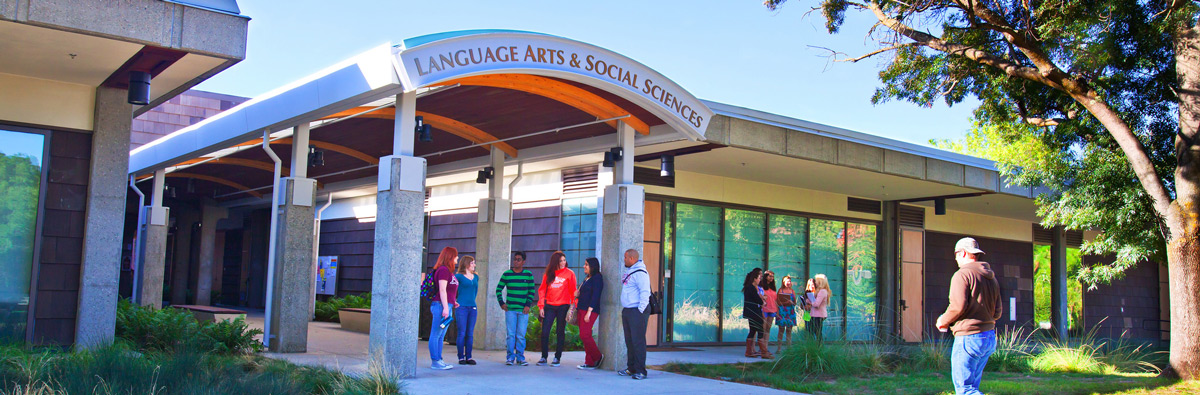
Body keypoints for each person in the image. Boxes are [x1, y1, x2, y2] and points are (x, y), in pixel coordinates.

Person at [936, 237, 1002, 395]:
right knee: (972, 387)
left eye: (956, 254)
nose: (955, 258)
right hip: (988, 337)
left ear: (963, 253)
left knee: (965, 390)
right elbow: (997, 312)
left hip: (968, 339)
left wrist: (942, 321)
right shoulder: (991, 278)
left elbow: (957, 307)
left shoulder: (962, 275)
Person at [537, 251, 577, 367]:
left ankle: (557, 357)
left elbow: (573, 291)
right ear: (555, 262)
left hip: (563, 306)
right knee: (545, 332)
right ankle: (544, 357)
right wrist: (541, 306)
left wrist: (572, 307)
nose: (563, 262)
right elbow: (542, 290)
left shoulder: (570, 274)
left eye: (564, 260)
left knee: (560, 332)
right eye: (560, 261)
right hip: (549, 306)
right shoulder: (549, 274)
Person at [496, 251, 535, 366]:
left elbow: (531, 292)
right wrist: (501, 303)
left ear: (523, 261)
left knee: (521, 335)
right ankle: (510, 357)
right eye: (515, 259)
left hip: (523, 310)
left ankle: (520, 357)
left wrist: (528, 305)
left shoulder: (528, 275)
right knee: (511, 335)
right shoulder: (507, 274)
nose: (516, 261)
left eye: (519, 259)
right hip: (510, 309)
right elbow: (498, 289)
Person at [618, 249, 651, 380]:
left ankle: (641, 371)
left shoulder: (641, 273)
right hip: (627, 310)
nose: (624, 259)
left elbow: (645, 292)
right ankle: (631, 368)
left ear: (632, 258)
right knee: (629, 341)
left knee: (638, 342)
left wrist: (640, 310)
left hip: (637, 311)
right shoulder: (630, 271)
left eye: (625, 257)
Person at [428, 247, 459, 370]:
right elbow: (442, 289)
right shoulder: (443, 270)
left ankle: (439, 359)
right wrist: (446, 307)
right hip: (441, 306)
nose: (457, 258)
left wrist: (452, 302)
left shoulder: (448, 271)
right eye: (456, 256)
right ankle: (435, 361)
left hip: (446, 305)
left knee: (441, 335)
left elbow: (448, 291)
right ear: (450, 257)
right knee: (436, 334)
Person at [575, 257, 604, 370]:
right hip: (581, 309)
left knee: (585, 335)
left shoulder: (597, 278)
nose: (584, 266)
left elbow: (595, 295)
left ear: (592, 266)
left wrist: (589, 312)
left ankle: (597, 356)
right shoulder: (587, 278)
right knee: (585, 335)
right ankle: (589, 362)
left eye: (586, 264)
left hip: (590, 310)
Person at [454, 255, 479, 365]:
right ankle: (461, 357)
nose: (474, 265)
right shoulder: (458, 276)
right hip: (462, 307)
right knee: (462, 332)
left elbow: (476, 291)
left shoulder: (476, 277)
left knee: (470, 333)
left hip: (472, 307)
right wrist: (454, 301)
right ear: (467, 264)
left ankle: (469, 356)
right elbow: (452, 289)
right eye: (472, 263)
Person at [741, 268, 764, 358]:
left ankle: (749, 351)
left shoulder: (750, 288)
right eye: (759, 278)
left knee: (753, 331)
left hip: (751, 312)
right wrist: (762, 301)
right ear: (754, 278)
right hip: (754, 312)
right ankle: (763, 351)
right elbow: (758, 300)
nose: (760, 280)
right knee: (760, 330)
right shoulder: (751, 288)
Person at [775, 275, 798, 353]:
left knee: (789, 330)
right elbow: (777, 302)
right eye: (787, 281)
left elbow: (795, 303)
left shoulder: (792, 291)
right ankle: (779, 348)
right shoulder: (780, 290)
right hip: (782, 311)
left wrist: (792, 302)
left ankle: (789, 348)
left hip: (790, 312)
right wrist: (785, 302)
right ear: (783, 282)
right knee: (781, 330)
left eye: (790, 281)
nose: (789, 282)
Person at [759, 271, 778, 359]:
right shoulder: (761, 286)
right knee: (763, 328)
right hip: (765, 309)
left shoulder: (773, 287)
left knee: (768, 329)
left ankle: (765, 347)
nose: (771, 278)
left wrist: (777, 310)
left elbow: (776, 299)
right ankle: (761, 348)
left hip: (772, 309)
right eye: (770, 276)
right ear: (766, 276)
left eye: (773, 276)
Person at [808, 274, 831, 341]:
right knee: (814, 332)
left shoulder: (822, 291)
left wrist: (809, 301)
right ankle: (816, 346)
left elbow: (816, 304)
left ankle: (819, 347)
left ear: (820, 282)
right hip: (815, 314)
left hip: (818, 315)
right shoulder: (820, 291)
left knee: (817, 332)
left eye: (816, 281)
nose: (815, 283)